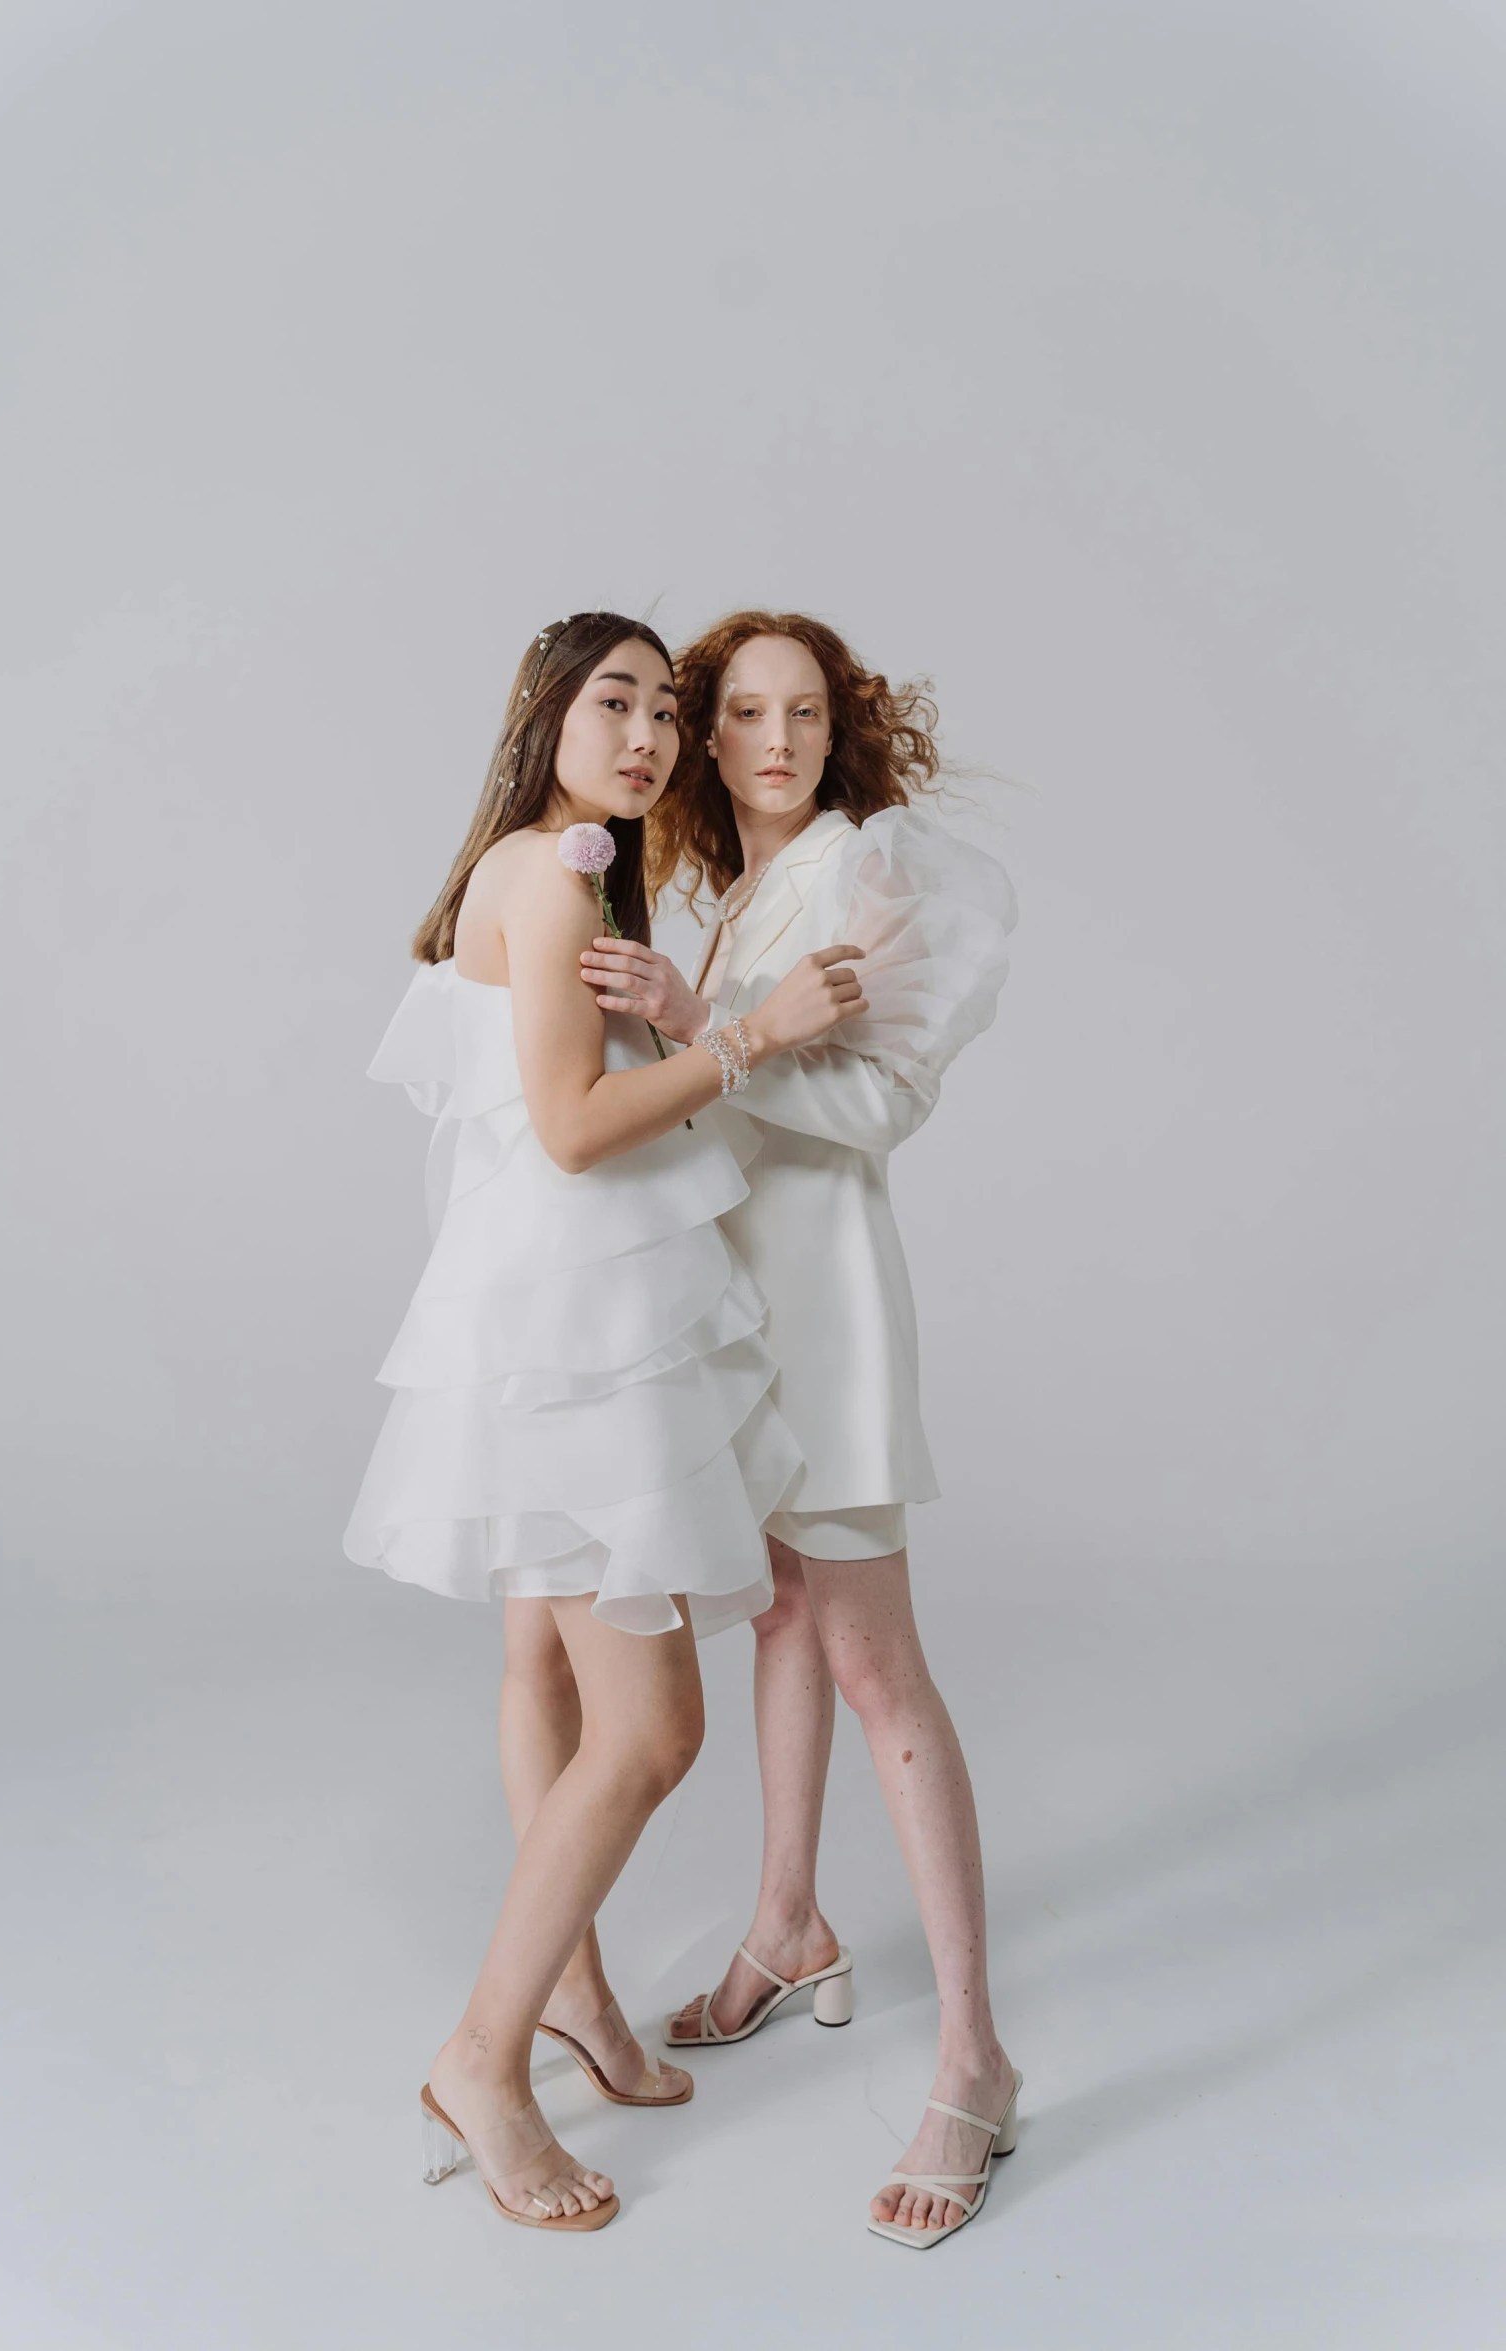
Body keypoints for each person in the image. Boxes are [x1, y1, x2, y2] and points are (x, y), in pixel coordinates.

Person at [344, 610, 868, 2232]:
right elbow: (570, 1132)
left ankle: (565, 1999)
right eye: (614, 701)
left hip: (542, 1321)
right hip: (579, 1337)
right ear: (546, 715)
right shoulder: (551, 874)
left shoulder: (539, 867)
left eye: (665, 709)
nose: (646, 734)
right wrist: (744, 1038)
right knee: (650, 1729)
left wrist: (675, 1009)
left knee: (548, 1677)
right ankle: (484, 2053)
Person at [577, 610, 1020, 2249]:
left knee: (874, 1663)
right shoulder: (745, 889)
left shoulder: (860, 873)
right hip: (739, 1317)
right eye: (744, 711)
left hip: (824, 1320)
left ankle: (974, 2052)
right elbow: (711, 1082)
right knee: (775, 1615)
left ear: (844, 731)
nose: (775, 738)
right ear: (705, 732)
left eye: (806, 711)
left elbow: (873, 1109)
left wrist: (706, 1027)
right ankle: (785, 1922)